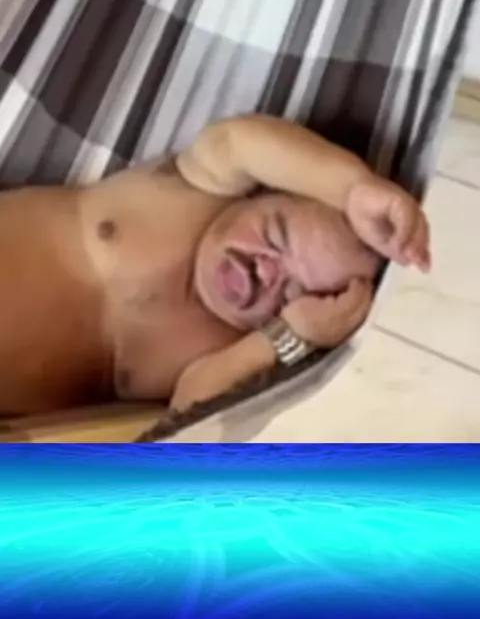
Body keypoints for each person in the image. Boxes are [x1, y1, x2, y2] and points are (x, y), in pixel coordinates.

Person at [0, 114, 430, 417]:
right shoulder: (191, 193)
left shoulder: (224, 346)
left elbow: (187, 418)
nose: (266, 272)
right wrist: (352, 188)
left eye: (292, 293)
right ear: (256, 191)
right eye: (274, 234)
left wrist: (287, 336)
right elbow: (237, 143)